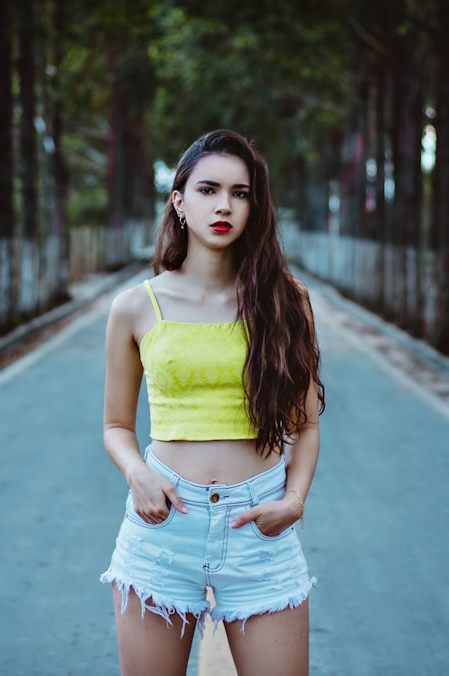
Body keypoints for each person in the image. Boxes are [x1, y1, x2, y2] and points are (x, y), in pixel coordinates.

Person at [100, 129, 324, 676]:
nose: (224, 205)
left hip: (260, 529)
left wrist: (295, 499)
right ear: (179, 201)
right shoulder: (135, 306)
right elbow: (115, 424)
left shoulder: (285, 300)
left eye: (241, 193)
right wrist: (136, 473)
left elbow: (307, 424)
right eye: (208, 189)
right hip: (163, 530)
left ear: (255, 206)